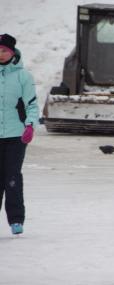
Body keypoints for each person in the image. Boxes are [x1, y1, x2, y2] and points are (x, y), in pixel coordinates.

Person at [0, 34, 39, 235]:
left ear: (12, 52)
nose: (1, 53)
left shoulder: (24, 76)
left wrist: (30, 126)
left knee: (12, 177)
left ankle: (16, 219)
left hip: (16, 136)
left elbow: (31, 104)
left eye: (4, 50)